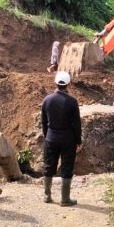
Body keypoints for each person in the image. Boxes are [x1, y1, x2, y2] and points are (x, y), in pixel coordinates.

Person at [41, 71, 82, 207]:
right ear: (68, 84)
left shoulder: (47, 100)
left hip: (51, 138)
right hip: (68, 140)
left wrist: (47, 136)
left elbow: (44, 122)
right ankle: (65, 199)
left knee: (49, 166)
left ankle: (47, 196)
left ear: (56, 83)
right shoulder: (72, 102)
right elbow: (76, 124)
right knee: (67, 167)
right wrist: (78, 141)